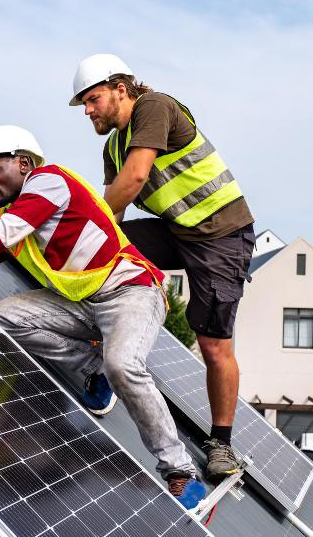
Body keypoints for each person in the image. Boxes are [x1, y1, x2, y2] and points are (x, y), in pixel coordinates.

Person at [0, 125, 206, 508]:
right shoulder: (15, 218)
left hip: (131, 291)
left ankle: (179, 469)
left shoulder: (49, 182)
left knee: (124, 364)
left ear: (23, 162)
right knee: (7, 315)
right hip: (85, 305)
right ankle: (92, 368)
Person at [69, 53, 255, 482]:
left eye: (93, 99)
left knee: (213, 345)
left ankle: (221, 444)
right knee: (108, 252)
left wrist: (91, 232)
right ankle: (107, 360)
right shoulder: (112, 147)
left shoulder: (155, 108)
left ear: (121, 88)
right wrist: (89, 248)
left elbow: (133, 181)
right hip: (177, 230)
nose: (88, 111)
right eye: (83, 104)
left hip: (221, 235)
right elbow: (110, 213)